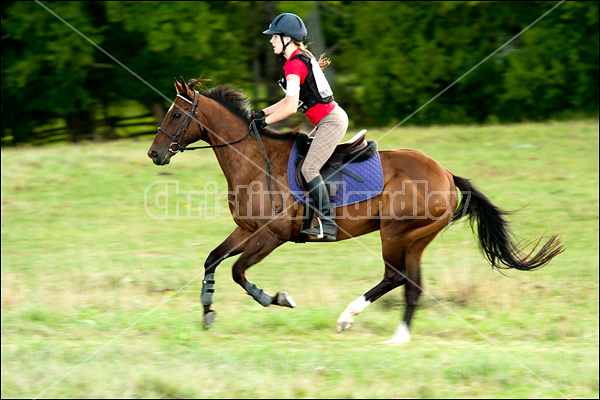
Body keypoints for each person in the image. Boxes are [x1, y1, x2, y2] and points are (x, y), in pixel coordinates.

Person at [250, 13, 349, 241]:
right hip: (327, 120)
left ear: (287, 38)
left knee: (308, 170)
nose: (271, 41)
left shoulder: (294, 65)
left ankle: (329, 224)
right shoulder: (297, 60)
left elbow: (291, 108)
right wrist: (262, 112)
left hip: (331, 121)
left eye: (274, 37)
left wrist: (264, 123)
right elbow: (287, 101)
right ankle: (309, 218)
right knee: (302, 162)